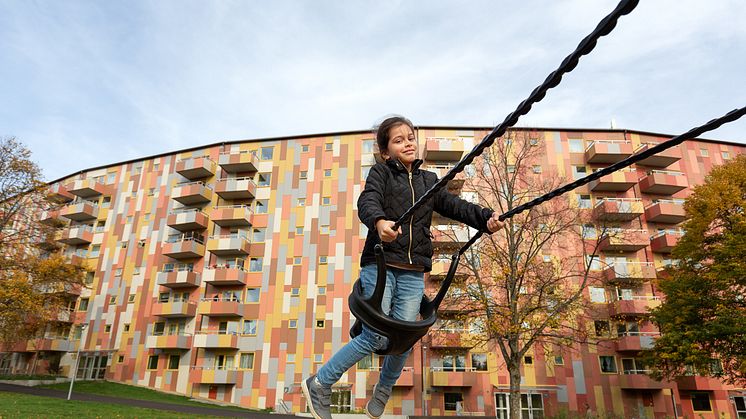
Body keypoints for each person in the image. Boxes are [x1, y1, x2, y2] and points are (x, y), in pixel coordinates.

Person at [302, 115, 504, 419]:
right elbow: (367, 202)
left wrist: (485, 218)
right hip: (380, 264)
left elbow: (455, 206)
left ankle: (384, 389)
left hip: (412, 271)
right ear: (386, 151)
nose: (407, 143)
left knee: (405, 337)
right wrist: (380, 222)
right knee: (377, 336)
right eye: (398, 140)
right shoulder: (380, 173)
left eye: (410, 137)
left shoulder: (428, 182)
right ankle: (320, 383)